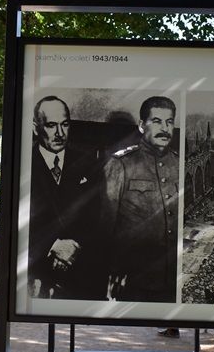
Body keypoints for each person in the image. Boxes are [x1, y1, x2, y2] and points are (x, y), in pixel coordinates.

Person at [101, 95, 180, 303]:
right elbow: (104, 226)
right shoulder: (121, 164)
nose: (165, 128)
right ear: (142, 125)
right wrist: (112, 270)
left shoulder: (179, 164)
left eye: (169, 122)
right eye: (157, 121)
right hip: (134, 281)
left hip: (173, 282)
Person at [27, 95, 103, 299]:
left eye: (65, 125)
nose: (60, 133)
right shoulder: (25, 164)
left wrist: (74, 247)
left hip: (80, 276)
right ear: (36, 128)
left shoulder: (88, 162)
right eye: (51, 125)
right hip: (37, 274)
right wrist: (53, 246)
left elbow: (98, 215)